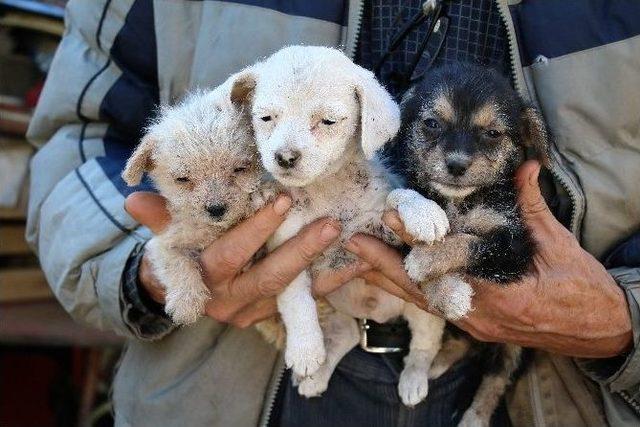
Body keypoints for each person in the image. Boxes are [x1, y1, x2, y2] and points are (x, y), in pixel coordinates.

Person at [26, 0, 640, 425]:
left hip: (562, 392)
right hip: (229, 385)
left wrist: (626, 317)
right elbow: (81, 135)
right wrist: (159, 268)